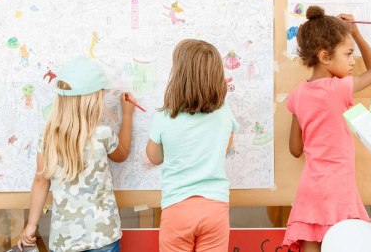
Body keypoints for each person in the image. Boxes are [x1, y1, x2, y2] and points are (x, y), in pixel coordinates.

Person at [284, 6, 371, 252]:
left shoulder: (297, 94)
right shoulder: (338, 89)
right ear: (325, 57)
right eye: (349, 54)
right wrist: (356, 34)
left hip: (311, 188)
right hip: (339, 187)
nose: (352, 62)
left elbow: (295, 149)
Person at [18, 56, 138, 252]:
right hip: (104, 237)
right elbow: (122, 154)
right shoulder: (102, 134)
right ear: (92, 100)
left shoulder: (48, 138)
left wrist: (31, 225)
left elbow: (41, 181)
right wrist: (127, 115)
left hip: (65, 240)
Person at [146, 39, 237, 252]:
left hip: (176, 207)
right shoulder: (224, 113)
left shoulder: (165, 116)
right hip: (215, 207)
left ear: (178, 76)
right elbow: (225, 146)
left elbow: (154, 157)